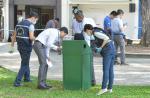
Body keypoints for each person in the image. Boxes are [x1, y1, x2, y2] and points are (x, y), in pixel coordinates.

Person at [11, 12, 39, 87]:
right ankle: (17, 82)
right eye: (36, 19)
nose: (36, 21)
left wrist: (12, 46)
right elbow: (31, 37)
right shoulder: (31, 25)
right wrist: (38, 39)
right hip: (26, 46)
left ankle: (27, 78)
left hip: (20, 46)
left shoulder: (18, 24)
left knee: (25, 62)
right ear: (33, 18)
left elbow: (14, 36)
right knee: (24, 64)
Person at [72, 10, 96, 85]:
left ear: (81, 17)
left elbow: (88, 37)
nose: (75, 19)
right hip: (78, 42)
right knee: (79, 62)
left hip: (89, 42)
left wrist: (87, 49)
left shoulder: (88, 21)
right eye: (75, 17)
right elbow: (75, 33)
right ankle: (81, 78)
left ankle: (92, 81)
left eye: (76, 18)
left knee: (89, 62)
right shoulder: (74, 21)